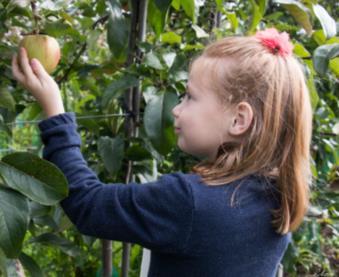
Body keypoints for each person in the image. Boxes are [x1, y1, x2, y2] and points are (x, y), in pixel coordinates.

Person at [11, 28, 313, 276]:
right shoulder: (279, 199)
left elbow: (89, 205)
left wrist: (54, 112)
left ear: (239, 120)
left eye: (191, 97)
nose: (177, 109)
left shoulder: (189, 203)